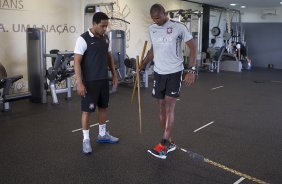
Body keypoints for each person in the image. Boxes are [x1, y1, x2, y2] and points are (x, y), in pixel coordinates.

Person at [141, 4, 197, 159]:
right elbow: (153, 50)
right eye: (153, 19)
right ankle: (170, 141)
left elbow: (192, 47)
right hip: (159, 73)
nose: (156, 21)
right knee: (160, 108)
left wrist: (191, 70)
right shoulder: (152, 29)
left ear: (164, 13)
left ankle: (164, 144)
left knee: (169, 107)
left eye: (158, 17)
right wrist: (143, 65)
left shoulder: (179, 27)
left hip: (174, 72)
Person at [74, 12, 119, 155]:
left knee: (103, 108)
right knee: (87, 111)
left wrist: (114, 74)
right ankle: (86, 140)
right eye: (102, 26)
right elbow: (76, 62)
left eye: (106, 26)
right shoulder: (83, 39)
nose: (104, 29)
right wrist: (79, 83)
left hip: (103, 80)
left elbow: (109, 56)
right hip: (89, 82)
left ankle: (102, 134)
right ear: (94, 24)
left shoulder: (105, 38)